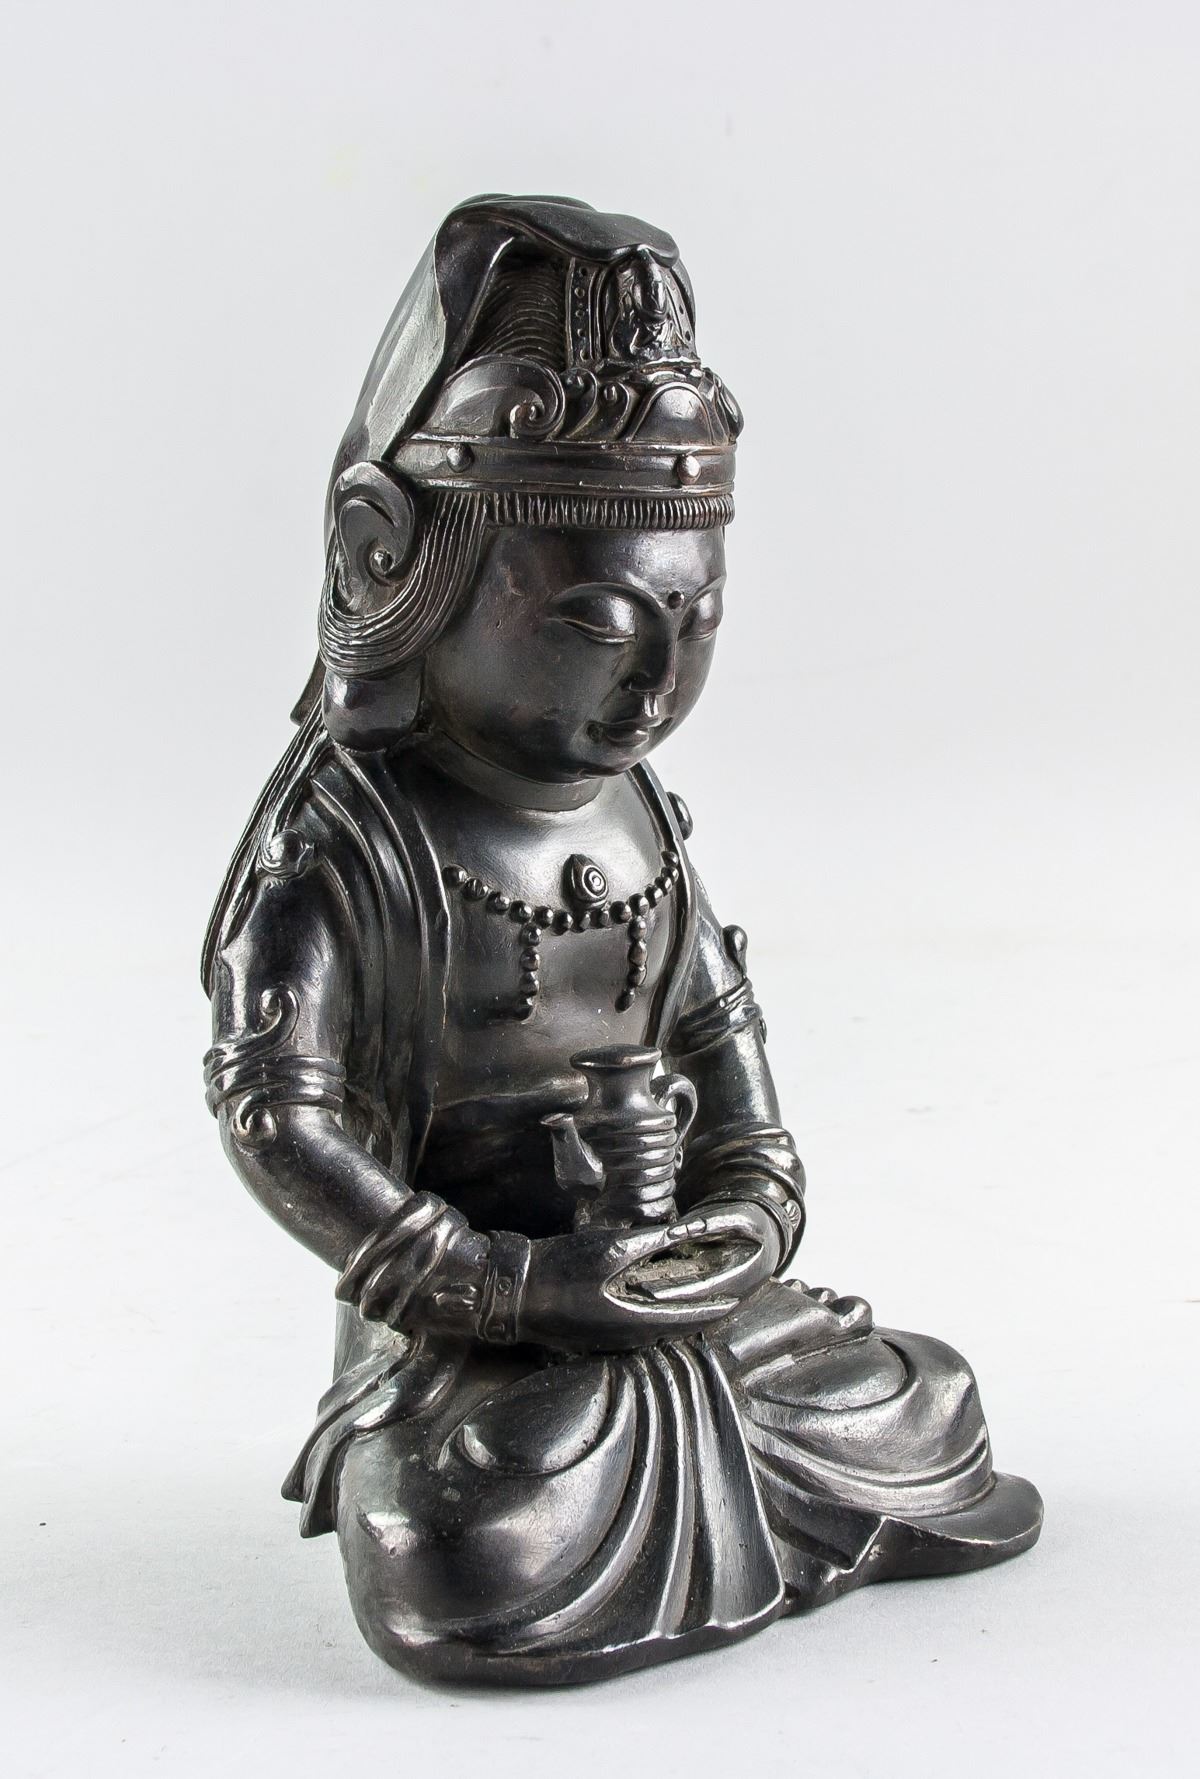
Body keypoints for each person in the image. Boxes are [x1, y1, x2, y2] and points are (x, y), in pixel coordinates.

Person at [203, 196, 1041, 1685]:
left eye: (693, 622)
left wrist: (749, 1218)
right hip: (471, 1344)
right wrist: (516, 1291)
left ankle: (741, 1468)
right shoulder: (353, 841)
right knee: (464, 1527)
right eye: (595, 629)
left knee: (919, 1394)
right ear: (397, 561)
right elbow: (282, 1118)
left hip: (674, 1296)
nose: (653, 687)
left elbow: (727, 1061)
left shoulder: (639, 808)